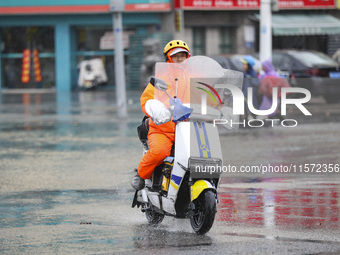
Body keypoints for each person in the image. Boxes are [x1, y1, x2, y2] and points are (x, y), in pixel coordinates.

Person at [131, 39, 191, 190]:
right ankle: (141, 174)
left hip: (190, 129)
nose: (180, 59)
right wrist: (157, 109)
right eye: (176, 56)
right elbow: (146, 99)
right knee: (159, 152)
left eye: (183, 55)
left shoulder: (194, 78)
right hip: (163, 129)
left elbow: (207, 98)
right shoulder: (160, 79)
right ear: (168, 58)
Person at [240, 55, 259, 120]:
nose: (243, 66)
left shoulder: (252, 73)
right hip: (245, 93)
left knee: (251, 104)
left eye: (244, 64)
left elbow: (256, 83)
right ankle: (247, 115)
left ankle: (251, 115)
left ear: (249, 65)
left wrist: (250, 78)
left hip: (250, 94)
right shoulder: (245, 73)